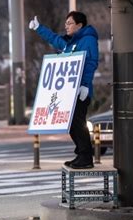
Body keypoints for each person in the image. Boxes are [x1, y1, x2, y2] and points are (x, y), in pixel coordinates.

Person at [29, 11, 99, 169]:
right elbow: (54, 39)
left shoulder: (88, 40)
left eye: (70, 23)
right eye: (66, 23)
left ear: (79, 25)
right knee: (71, 124)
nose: (66, 26)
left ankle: (86, 158)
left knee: (78, 123)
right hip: (69, 92)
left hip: (81, 91)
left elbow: (91, 62)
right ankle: (81, 155)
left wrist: (85, 85)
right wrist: (39, 28)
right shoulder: (70, 43)